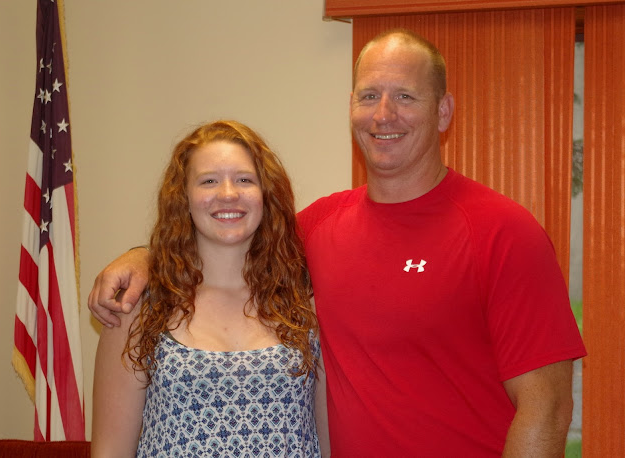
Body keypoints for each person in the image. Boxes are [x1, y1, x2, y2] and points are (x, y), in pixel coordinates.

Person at [88, 30, 586, 457]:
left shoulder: (503, 232)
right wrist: (143, 257)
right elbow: (228, 233)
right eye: (368, 96)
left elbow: (547, 409)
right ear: (351, 107)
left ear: (443, 111)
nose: (384, 114)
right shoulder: (317, 228)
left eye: (405, 96)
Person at [91, 120, 329, 457]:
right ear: (183, 198)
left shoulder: (305, 305)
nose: (228, 194)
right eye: (209, 181)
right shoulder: (138, 307)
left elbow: (328, 443)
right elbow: (110, 451)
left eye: (244, 180)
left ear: (266, 194)